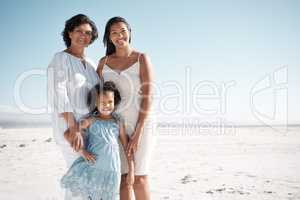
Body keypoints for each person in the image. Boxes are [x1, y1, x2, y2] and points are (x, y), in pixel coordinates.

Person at [97, 16, 156, 200]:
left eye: (122, 31)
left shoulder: (141, 58)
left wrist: (138, 131)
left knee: (139, 177)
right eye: (114, 33)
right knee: (122, 178)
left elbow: (149, 95)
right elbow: (98, 97)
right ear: (109, 37)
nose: (119, 35)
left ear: (129, 32)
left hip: (142, 125)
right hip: (115, 127)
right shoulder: (103, 62)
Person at [47, 14, 99, 200]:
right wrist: (74, 127)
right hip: (70, 129)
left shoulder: (92, 64)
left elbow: (98, 97)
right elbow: (58, 93)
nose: (83, 36)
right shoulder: (60, 58)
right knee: (79, 177)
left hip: (91, 129)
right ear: (69, 32)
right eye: (79, 31)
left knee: (89, 178)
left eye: (88, 33)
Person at [61, 81, 134, 200]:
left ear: (114, 102)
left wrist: (131, 170)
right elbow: (68, 134)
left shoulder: (118, 122)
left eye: (110, 102)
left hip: (113, 172)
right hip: (94, 170)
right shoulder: (91, 120)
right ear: (96, 103)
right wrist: (82, 152)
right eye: (102, 102)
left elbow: (127, 147)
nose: (106, 105)